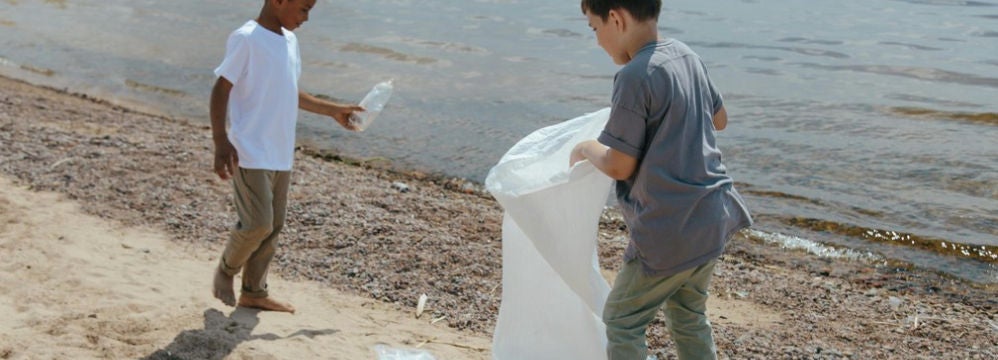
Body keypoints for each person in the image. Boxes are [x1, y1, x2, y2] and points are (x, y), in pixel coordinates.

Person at [570, 0, 753, 358]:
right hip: (712, 215)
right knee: (689, 316)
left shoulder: (634, 76)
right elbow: (720, 120)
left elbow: (619, 165)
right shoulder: (686, 56)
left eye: (595, 29)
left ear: (616, 18)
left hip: (669, 229)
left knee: (622, 321)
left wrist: (587, 148)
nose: (596, 42)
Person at [209, 0, 363, 313]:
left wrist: (332, 110)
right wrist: (221, 140)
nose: (307, 18)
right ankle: (225, 271)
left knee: (273, 226)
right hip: (249, 150)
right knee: (257, 224)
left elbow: (288, 92)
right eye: (304, 8)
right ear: (278, 1)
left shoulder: (290, 41)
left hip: (280, 151)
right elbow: (221, 89)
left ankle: (254, 291)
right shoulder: (247, 38)